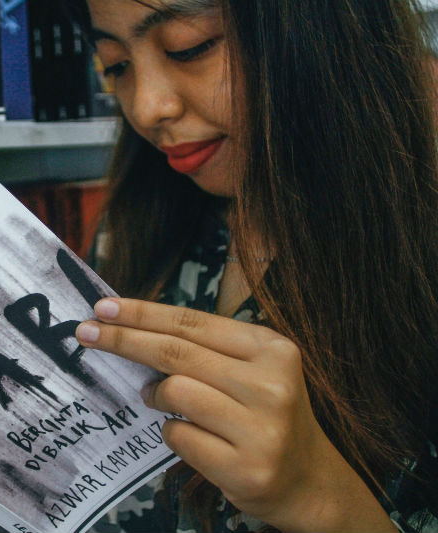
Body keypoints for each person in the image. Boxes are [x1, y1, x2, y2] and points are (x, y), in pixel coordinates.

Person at [62, 0, 438, 532]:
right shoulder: (138, 222)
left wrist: (321, 501)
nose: (147, 108)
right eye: (116, 66)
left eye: (188, 46)